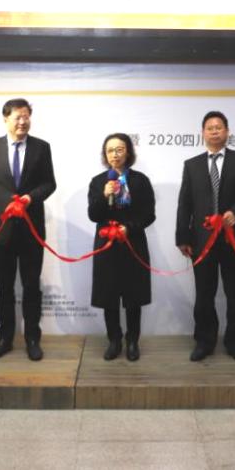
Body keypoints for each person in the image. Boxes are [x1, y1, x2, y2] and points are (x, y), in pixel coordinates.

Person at [0, 98, 57, 361]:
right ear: (6, 119)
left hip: (31, 229)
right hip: (0, 229)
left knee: (32, 287)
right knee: (4, 287)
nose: (23, 122)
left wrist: (30, 197)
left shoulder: (41, 147)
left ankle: (33, 338)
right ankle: (5, 338)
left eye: (26, 117)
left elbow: (49, 184)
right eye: (17, 117)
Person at [175, 111, 235, 363]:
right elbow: (185, 203)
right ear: (203, 133)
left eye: (219, 127)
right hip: (201, 242)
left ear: (227, 131)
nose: (214, 131)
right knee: (204, 296)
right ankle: (204, 341)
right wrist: (182, 237)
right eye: (210, 127)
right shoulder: (191, 165)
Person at [87, 133, 156, 362]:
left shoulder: (140, 181)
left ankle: (132, 341)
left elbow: (149, 214)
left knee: (133, 295)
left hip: (132, 243)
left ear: (128, 152)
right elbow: (93, 215)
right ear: (105, 155)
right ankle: (114, 340)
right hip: (106, 245)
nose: (114, 154)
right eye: (110, 150)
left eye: (119, 149)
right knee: (109, 295)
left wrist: (130, 228)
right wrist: (104, 195)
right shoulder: (98, 181)